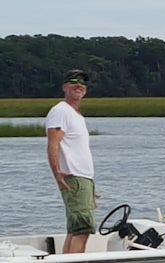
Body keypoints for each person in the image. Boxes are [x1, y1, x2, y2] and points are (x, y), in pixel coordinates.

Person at [46, 69, 97, 253]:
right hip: (73, 177)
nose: (79, 85)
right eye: (74, 81)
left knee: (76, 228)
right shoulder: (61, 111)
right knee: (83, 228)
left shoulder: (76, 115)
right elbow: (53, 143)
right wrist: (57, 173)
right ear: (64, 87)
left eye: (83, 82)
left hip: (82, 179)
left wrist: (90, 187)